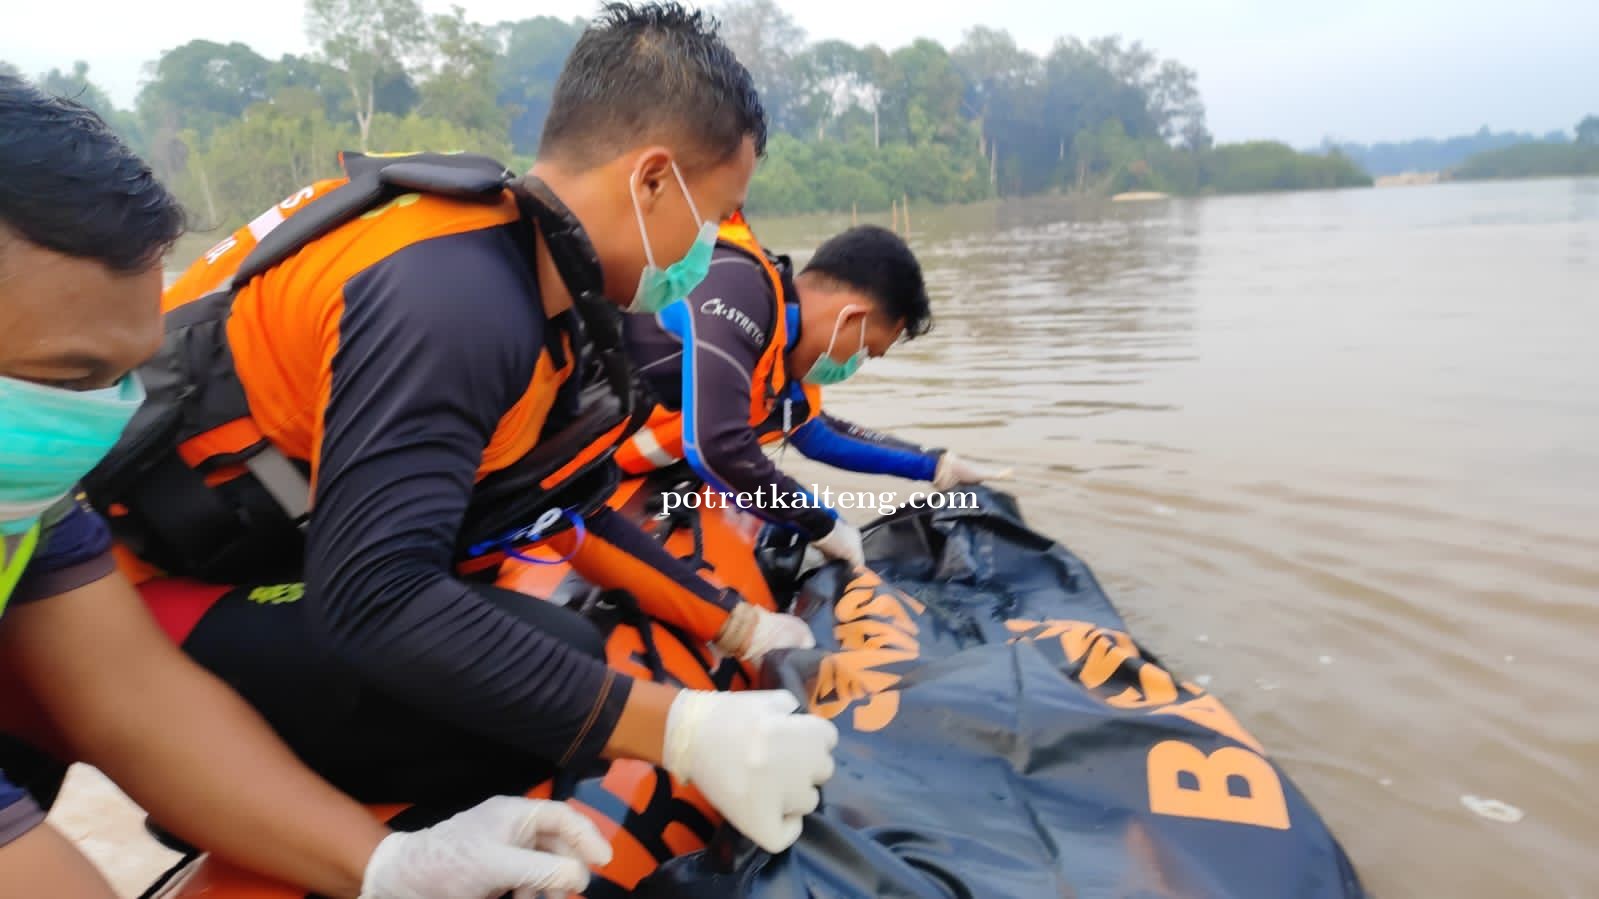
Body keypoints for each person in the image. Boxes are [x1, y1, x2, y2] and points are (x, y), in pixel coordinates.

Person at [86, 1, 834, 858]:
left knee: (535, 645)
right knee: (539, 667)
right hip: (124, 600)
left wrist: (738, 625)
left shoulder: (521, 275)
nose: (710, 249)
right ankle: (217, 790)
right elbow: (374, 596)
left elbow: (559, 508)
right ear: (653, 180)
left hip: (242, 556)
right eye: (716, 214)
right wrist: (684, 730)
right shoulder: (455, 299)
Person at [0, 74, 615, 899]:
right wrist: (678, 726)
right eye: (66, 376)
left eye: (117, 379)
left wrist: (384, 866)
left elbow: (131, 691)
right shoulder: (452, 300)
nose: (98, 419)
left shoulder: (29, 494)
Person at [618, 217, 1010, 567]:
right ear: (851, 318)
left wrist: (937, 465)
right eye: (866, 351)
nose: (854, 364)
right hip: (574, 466)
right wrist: (823, 525)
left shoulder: (780, 353)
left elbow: (819, 435)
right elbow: (719, 448)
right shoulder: (737, 290)